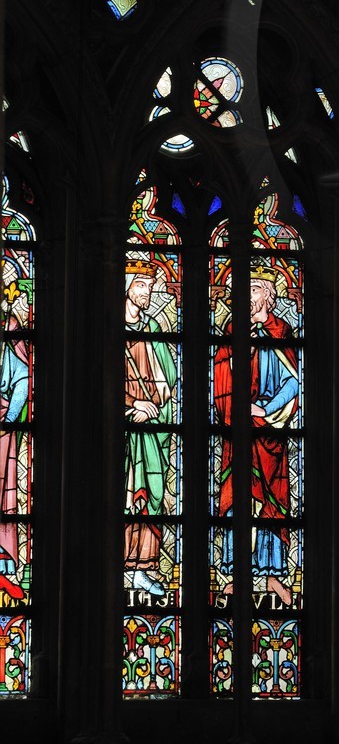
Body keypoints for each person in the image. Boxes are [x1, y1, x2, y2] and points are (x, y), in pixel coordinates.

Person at [214, 266, 300, 606]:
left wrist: (265, 410)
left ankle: (272, 574)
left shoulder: (281, 331)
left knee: (272, 503)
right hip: (239, 432)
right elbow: (220, 375)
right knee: (239, 498)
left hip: (270, 433)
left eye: (251, 291)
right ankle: (238, 573)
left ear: (267, 295)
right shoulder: (233, 330)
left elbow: (293, 381)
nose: (245, 298)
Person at [124, 257, 178, 599]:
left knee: (150, 500)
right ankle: (122, 567)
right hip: (123, 430)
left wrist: (155, 404)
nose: (148, 290)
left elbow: (166, 379)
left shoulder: (153, 329)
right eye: (141, 284)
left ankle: (144, 568)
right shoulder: (107, 327)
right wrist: (130, 408)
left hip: (150, 431)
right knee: (125, 498)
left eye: (150, 284)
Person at [0, 260, 31, 603]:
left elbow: (22, 375)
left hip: (4, 426)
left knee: (5, 489)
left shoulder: (10, 327)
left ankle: (4, 556)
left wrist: (10, 416)